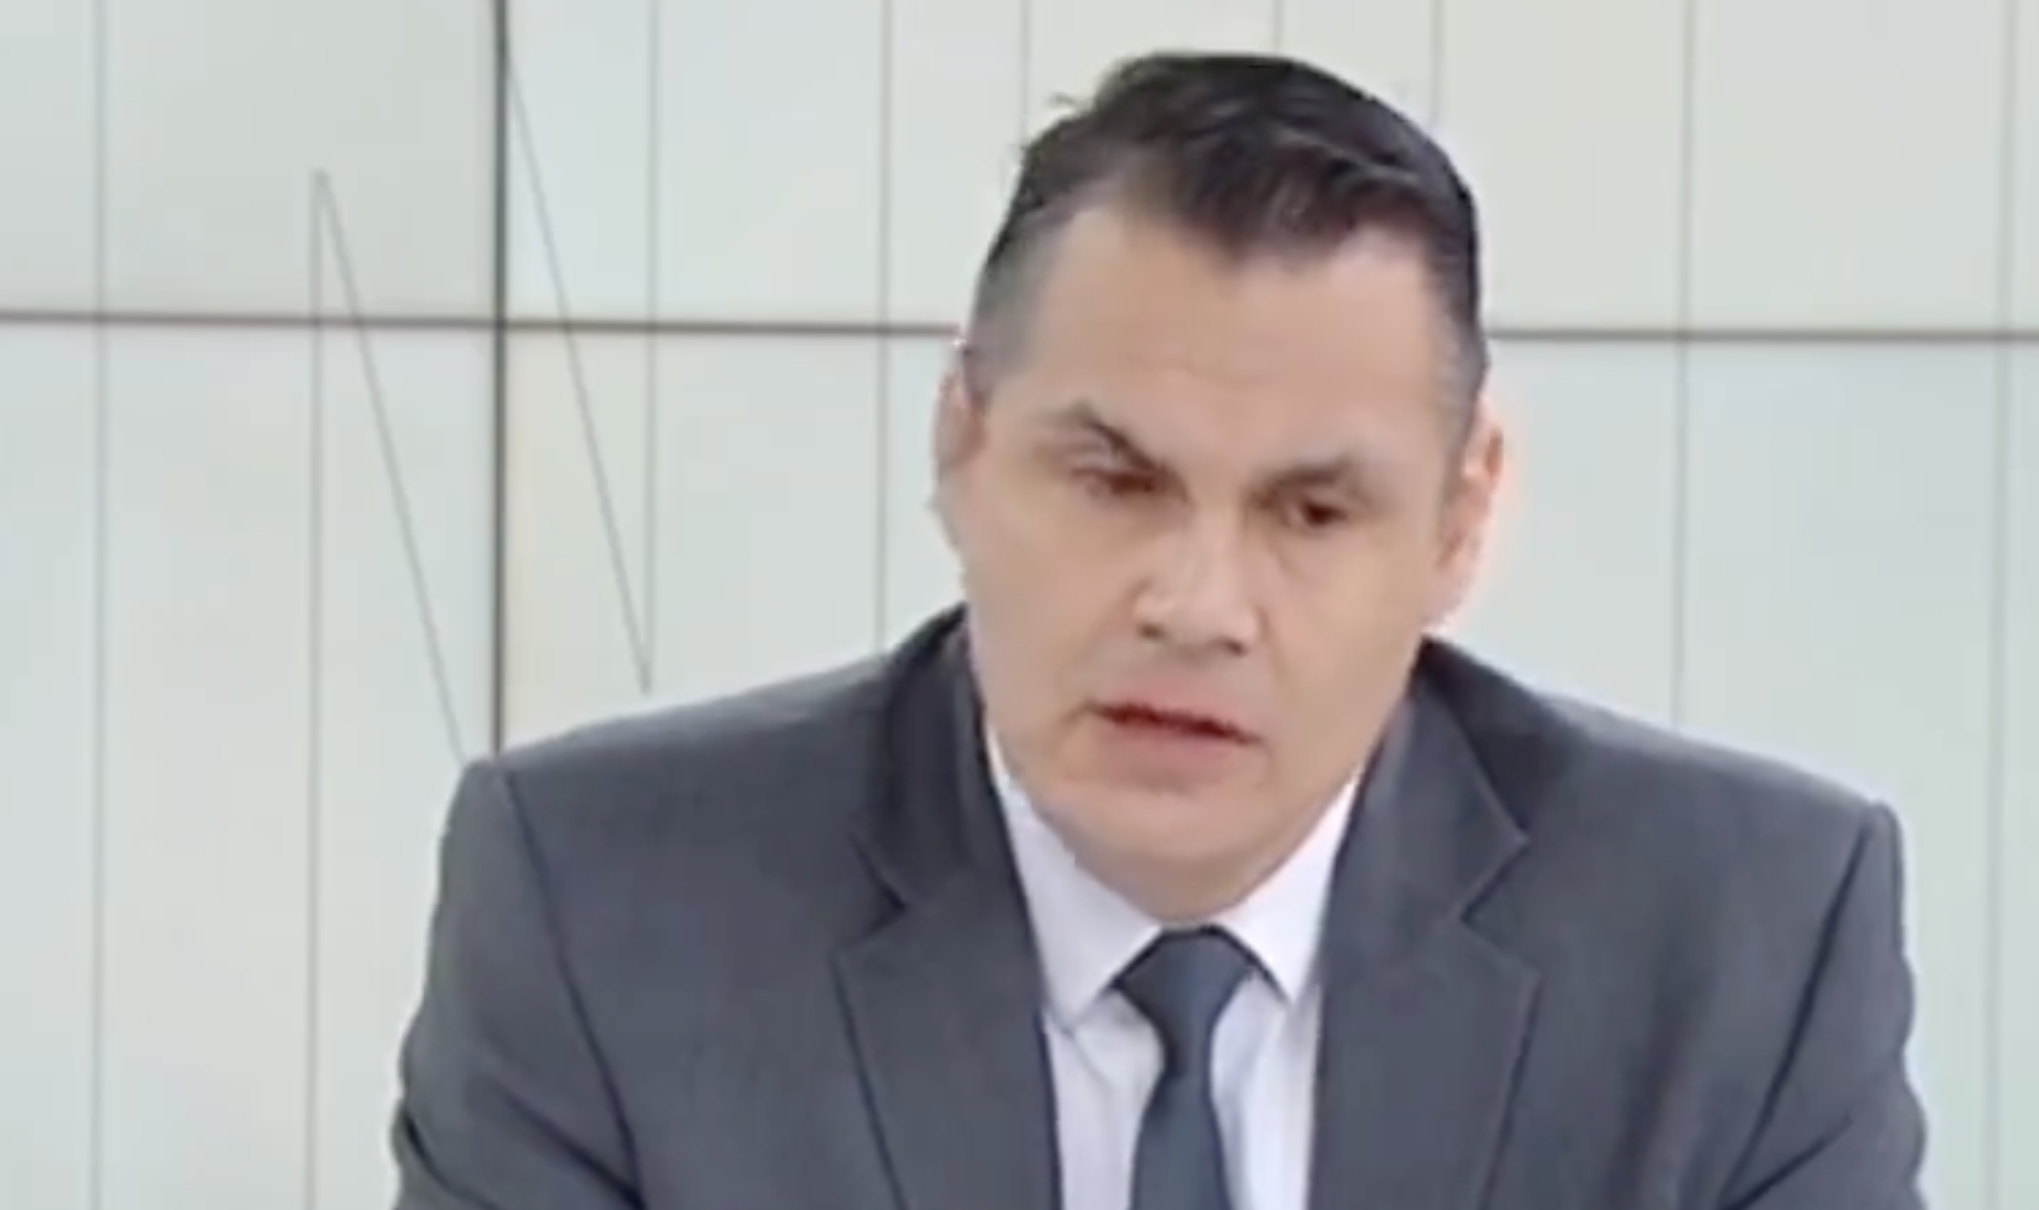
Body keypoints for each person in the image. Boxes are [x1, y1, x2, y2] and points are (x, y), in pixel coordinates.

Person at [387, 50, 1926, 1210]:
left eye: (1311, 512)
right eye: (1115, 481)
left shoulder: (1745, 941)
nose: (1196, 604)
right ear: (961, 441)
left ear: (1459, 524)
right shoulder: (605, 913)